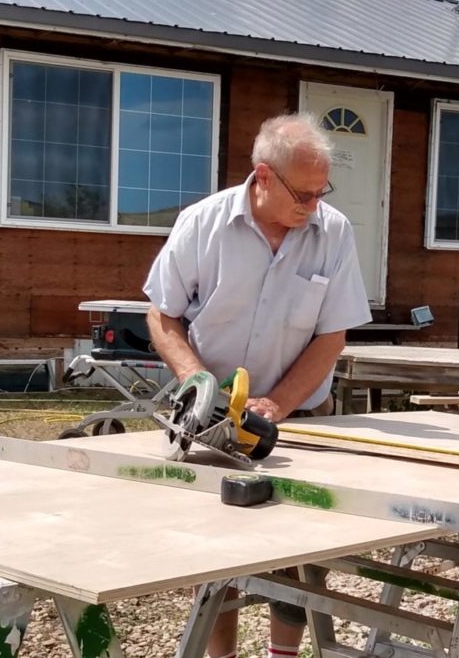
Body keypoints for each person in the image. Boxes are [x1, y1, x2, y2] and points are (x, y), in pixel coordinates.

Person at [143, 112, 371, 658]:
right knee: (216, 550)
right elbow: (162, 315)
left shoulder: (333, 231)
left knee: (295, 543)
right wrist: (194, 380)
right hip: (211, 419)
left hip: (297, 416)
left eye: (322, 191)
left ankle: (283, 654)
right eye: (303, 193)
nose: (313, 204)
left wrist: (280, 404)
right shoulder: (203, 223)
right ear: (263, 177)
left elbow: (330, 336)